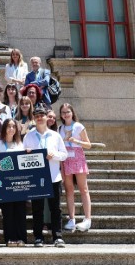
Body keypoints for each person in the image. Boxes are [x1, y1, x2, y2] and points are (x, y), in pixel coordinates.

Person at [23, 106, 68, 247]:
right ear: (34, 118)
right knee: (37, 209)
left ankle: (57, 237)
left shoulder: (55, 135)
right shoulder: (28, 136)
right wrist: (28, 153)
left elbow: (64, 154)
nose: (39, 117)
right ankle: (38, 237)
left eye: (42, 115)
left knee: (56, 209)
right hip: (36, 178)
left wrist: (54, 155)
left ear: (46, 118)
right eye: (36, 115)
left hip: (54, 176)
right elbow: (23, 156)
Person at [0, 118, 27, 246]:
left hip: (19, 182)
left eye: (13, 126)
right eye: (8, 126)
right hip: (5, 183)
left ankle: (21, 238)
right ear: (4, 128)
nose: (11, 129)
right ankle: (10, 239)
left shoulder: (20, 144)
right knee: (8, 212)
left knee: (20, 211)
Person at [59, 103, 92, 232]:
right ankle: (72, 219)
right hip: (66, 158)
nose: (66, 114)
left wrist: (76, 141)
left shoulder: (79, 126)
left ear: (72, 113)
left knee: (83, 189)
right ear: (60, 115)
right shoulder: (60, 128)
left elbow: (88, 144)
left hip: (77, 156)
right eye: (63, 112)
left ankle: (87, 219)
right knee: (69, 190)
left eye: (68, 111)